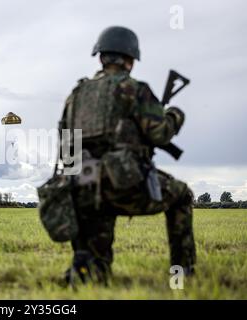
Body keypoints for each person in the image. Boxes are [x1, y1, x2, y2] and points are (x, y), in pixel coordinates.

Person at [60, 26, 196, 285]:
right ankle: (184, 272)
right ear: (130, 61)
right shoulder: (134, 89)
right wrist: (175, 115)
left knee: (95, 260)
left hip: (84, 191)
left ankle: (89, 269)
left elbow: (66, 149)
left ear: (100, 57)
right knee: (181, 195)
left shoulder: (75, 96)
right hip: (125, 186)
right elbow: (160, 134)